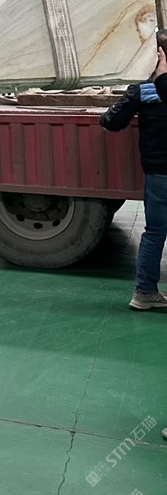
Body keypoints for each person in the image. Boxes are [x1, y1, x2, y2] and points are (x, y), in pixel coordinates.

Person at [100, 41, 167, 309]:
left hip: (157, 175)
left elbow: (110, 122)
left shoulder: (143, 90)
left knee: (154, 232)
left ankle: (145, 292)